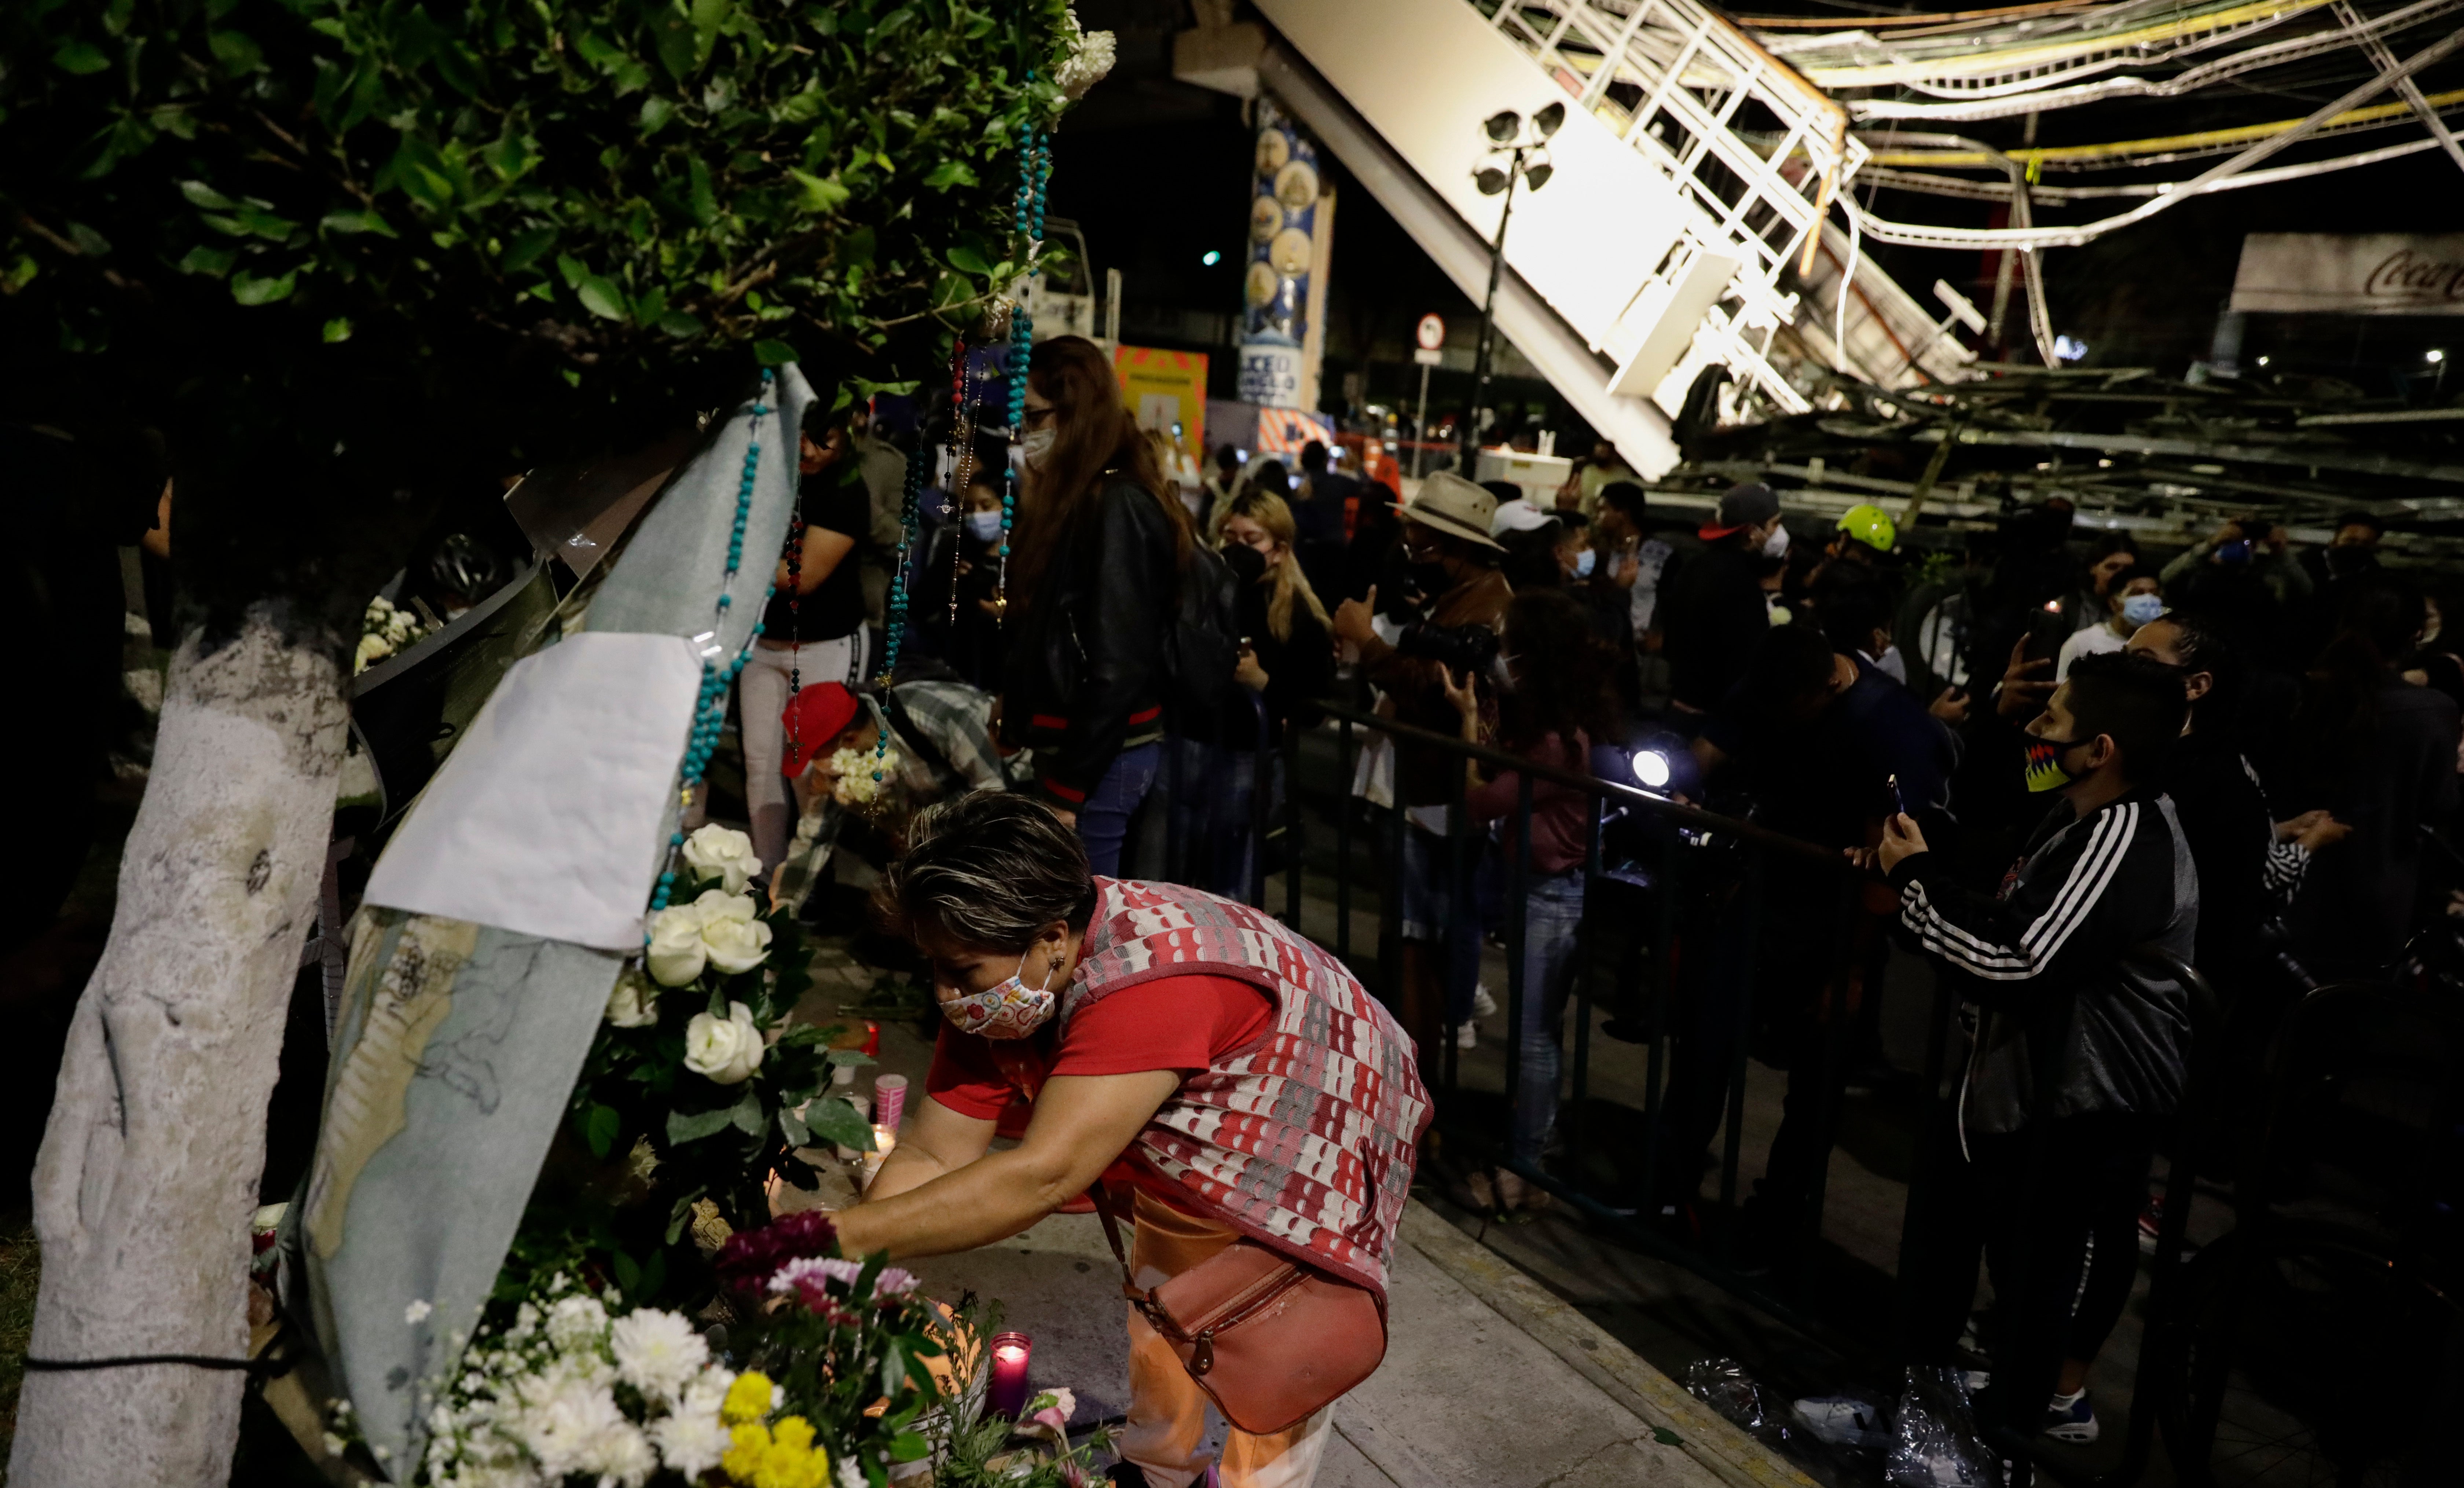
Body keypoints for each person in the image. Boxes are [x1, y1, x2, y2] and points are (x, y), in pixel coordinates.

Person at [838, 792, 1430, 1488]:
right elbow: (935, 1152)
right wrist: (853, 1267)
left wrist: (834, 1238)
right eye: (933, 965)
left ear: (1052, 939)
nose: (944, 995)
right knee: (1164, 1301)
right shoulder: (1009, 983)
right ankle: (1158, 1469)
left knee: (1276, 1342)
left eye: (962, 970)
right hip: (1204, 1117)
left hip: (1314, 1105)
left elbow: (1042, 1174)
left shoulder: (1148, 987)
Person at [1875, 651, 2194, 1453]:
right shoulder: (2079, 814)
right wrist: (1928, 887)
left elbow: (2025, 961)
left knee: (2032, 1284)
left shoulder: (2128, 836)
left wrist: (1915, 886)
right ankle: (1907, 1415)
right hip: (2017, 1088)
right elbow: (2018, 916)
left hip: (2081, 1105)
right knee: (1945, 1244)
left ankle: (1997, 1447)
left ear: (2101, 747)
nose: (2034, 732)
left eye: (2053, 722)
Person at [1654, 621, 1958, 1252]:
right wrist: (1683, 788)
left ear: (1827, 685)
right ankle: (1664, 1188)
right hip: (1757, 890)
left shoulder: (1888, 726)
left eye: (1792, 711)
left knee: (1816, 1083)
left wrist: (1848, 972)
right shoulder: (1771, 680)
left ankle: (1776, 1222)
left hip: (1841, 914)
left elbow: (1889, 866)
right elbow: (1712, 747)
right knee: (1704, 1046)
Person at [1437, 589, 1618, 1212]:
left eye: (1508, 642)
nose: (1499, 653)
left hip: (1552, 891)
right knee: (1534, 1030)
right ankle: (1528, 1149)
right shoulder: (1548, 718)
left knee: (1535, 1034)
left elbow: (1480, 799)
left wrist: (1465, 722)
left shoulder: (1555, 740)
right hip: (1534, 883)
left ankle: (1524, 1168)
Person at [1330, 472, 1513, 1078]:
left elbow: (1433, 685)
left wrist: (1369, 643)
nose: (1410, 549)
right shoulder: (1463, 596)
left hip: (1437, 793)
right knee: (1413, 942)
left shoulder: (1486, 604)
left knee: (1418, 946)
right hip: (1422, 787)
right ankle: (1411, 1082)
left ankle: (1414, 1089)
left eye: (1422, 541)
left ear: (1459, 549)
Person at [1000, 335, 1192, 875]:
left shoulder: (1117, 504)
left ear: (1075, 412)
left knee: (1087, 923)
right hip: (1080, 750)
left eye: (1037, 418)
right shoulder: (1082, 498)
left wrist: (1067, 789)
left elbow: (1117, 663)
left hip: (1099, 758)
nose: (1028, 436)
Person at [2280, 575, 2459, 978]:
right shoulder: (2432, 711)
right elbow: (2440, 805)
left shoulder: (2301, 696)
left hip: (2291, 882)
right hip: (2382, 892)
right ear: (2417, 633)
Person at [741, 410, 875, 872]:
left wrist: (729, 562)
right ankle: (767, 875)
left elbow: (805, 576)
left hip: (825, 645)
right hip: (762, 642)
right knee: (761, 764)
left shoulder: (845, 491)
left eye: (825, 440)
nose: (811, 451)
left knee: (814, 767)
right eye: (802, 437)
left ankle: (809, 880)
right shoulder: (765, 479)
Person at [767, 670, 1015, 915]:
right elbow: (814, 835)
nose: (815, 767)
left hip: (1012, 796)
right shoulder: (839, 760)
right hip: (936, 822)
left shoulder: (936, 716)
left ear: (851, 740)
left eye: (813, 755)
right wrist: (784, 907)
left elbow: (993, 790)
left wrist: (923, 827)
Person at [1661, 482, 1787, 723]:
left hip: (1678, 706)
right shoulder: (1741, 583)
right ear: (1752, 532)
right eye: (1775, 524)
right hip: (1714, 720)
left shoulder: (1694, 568)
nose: (1780, 532)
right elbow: (1747, 663)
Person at [2054, 562, 2163, 680]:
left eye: (2154, 594)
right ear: (2114, 603)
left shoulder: (2164, 645)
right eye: (2137, 593)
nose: (2149, 600)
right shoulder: (2082, 644)